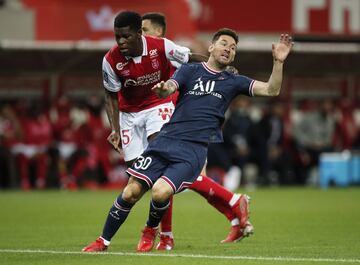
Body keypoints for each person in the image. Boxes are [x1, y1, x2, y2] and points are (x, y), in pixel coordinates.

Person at [83, 24, 293, 252]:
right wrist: (163, 89)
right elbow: (170, 87)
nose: (228, 49)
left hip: (192, 149)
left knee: (161, 191)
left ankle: (150, 230)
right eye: (224, 44)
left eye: (233, 48)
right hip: (165, 140)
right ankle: (102, 241)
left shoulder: (234, 82)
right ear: (211, 47)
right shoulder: (189, 70)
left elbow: (271, 90)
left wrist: (278, 62)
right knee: (131, 191)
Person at [140, 12, 253, 249]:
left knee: (170, 179)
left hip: (174, 118)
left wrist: (225, 71)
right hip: (167, 117)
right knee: (179, 180)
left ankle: (231, 203)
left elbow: (198, 59)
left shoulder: (168, 49)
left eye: (144, 30)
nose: (141, 35)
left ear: (158, 32)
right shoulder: (141, 54)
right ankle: (233, 210)